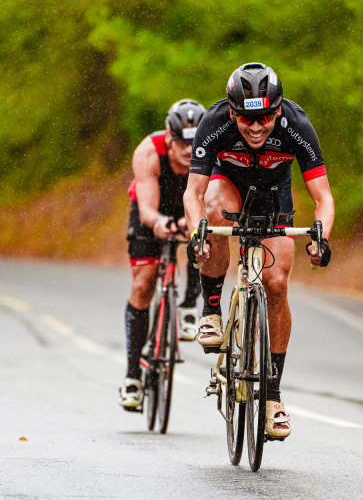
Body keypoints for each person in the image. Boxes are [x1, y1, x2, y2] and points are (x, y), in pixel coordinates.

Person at [183, 63, 334, 439]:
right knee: (213, 212)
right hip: (226, 183)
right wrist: (196, 235)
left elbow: (323, 197)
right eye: (246, 118)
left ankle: (271, 397)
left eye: (265, 116)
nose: (255, 127)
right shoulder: (215, 121)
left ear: (278, 109)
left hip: (273, 194)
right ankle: (213, 309)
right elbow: (193, 193)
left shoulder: (296, 125)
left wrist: (321, 238)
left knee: (277, 284)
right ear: (232, 112)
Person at [119, 99, 207, 411]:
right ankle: (132, 376)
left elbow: (211, 199)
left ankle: (187, 305)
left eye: (195, 141)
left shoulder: (209, 151)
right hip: (152, 211)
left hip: (190, 209)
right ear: (169, 138)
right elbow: (145, 210)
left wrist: (191, 224)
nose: (189, 148)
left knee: (204, 241)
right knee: (144, 283)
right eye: (183, 141)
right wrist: (161, 223)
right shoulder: (148, 151)